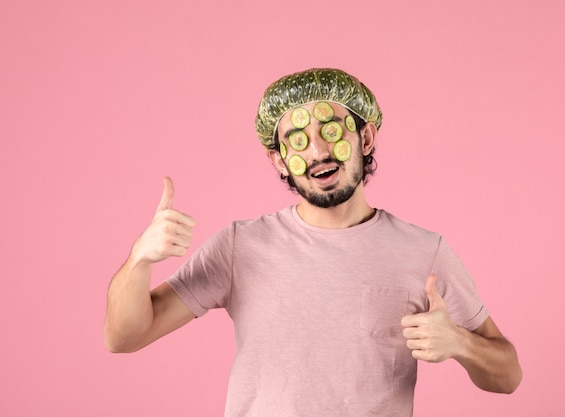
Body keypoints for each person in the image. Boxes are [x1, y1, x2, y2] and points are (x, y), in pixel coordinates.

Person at [104, 68, 522, 416]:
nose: (320, 151)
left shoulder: (424, 252)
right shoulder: (239, 246)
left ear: (366, 138)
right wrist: (140, 259)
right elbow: (124, 338)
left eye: (332, 130)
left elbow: (508, 376)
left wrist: (461, 343)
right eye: (299, 140)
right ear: (279, 159)